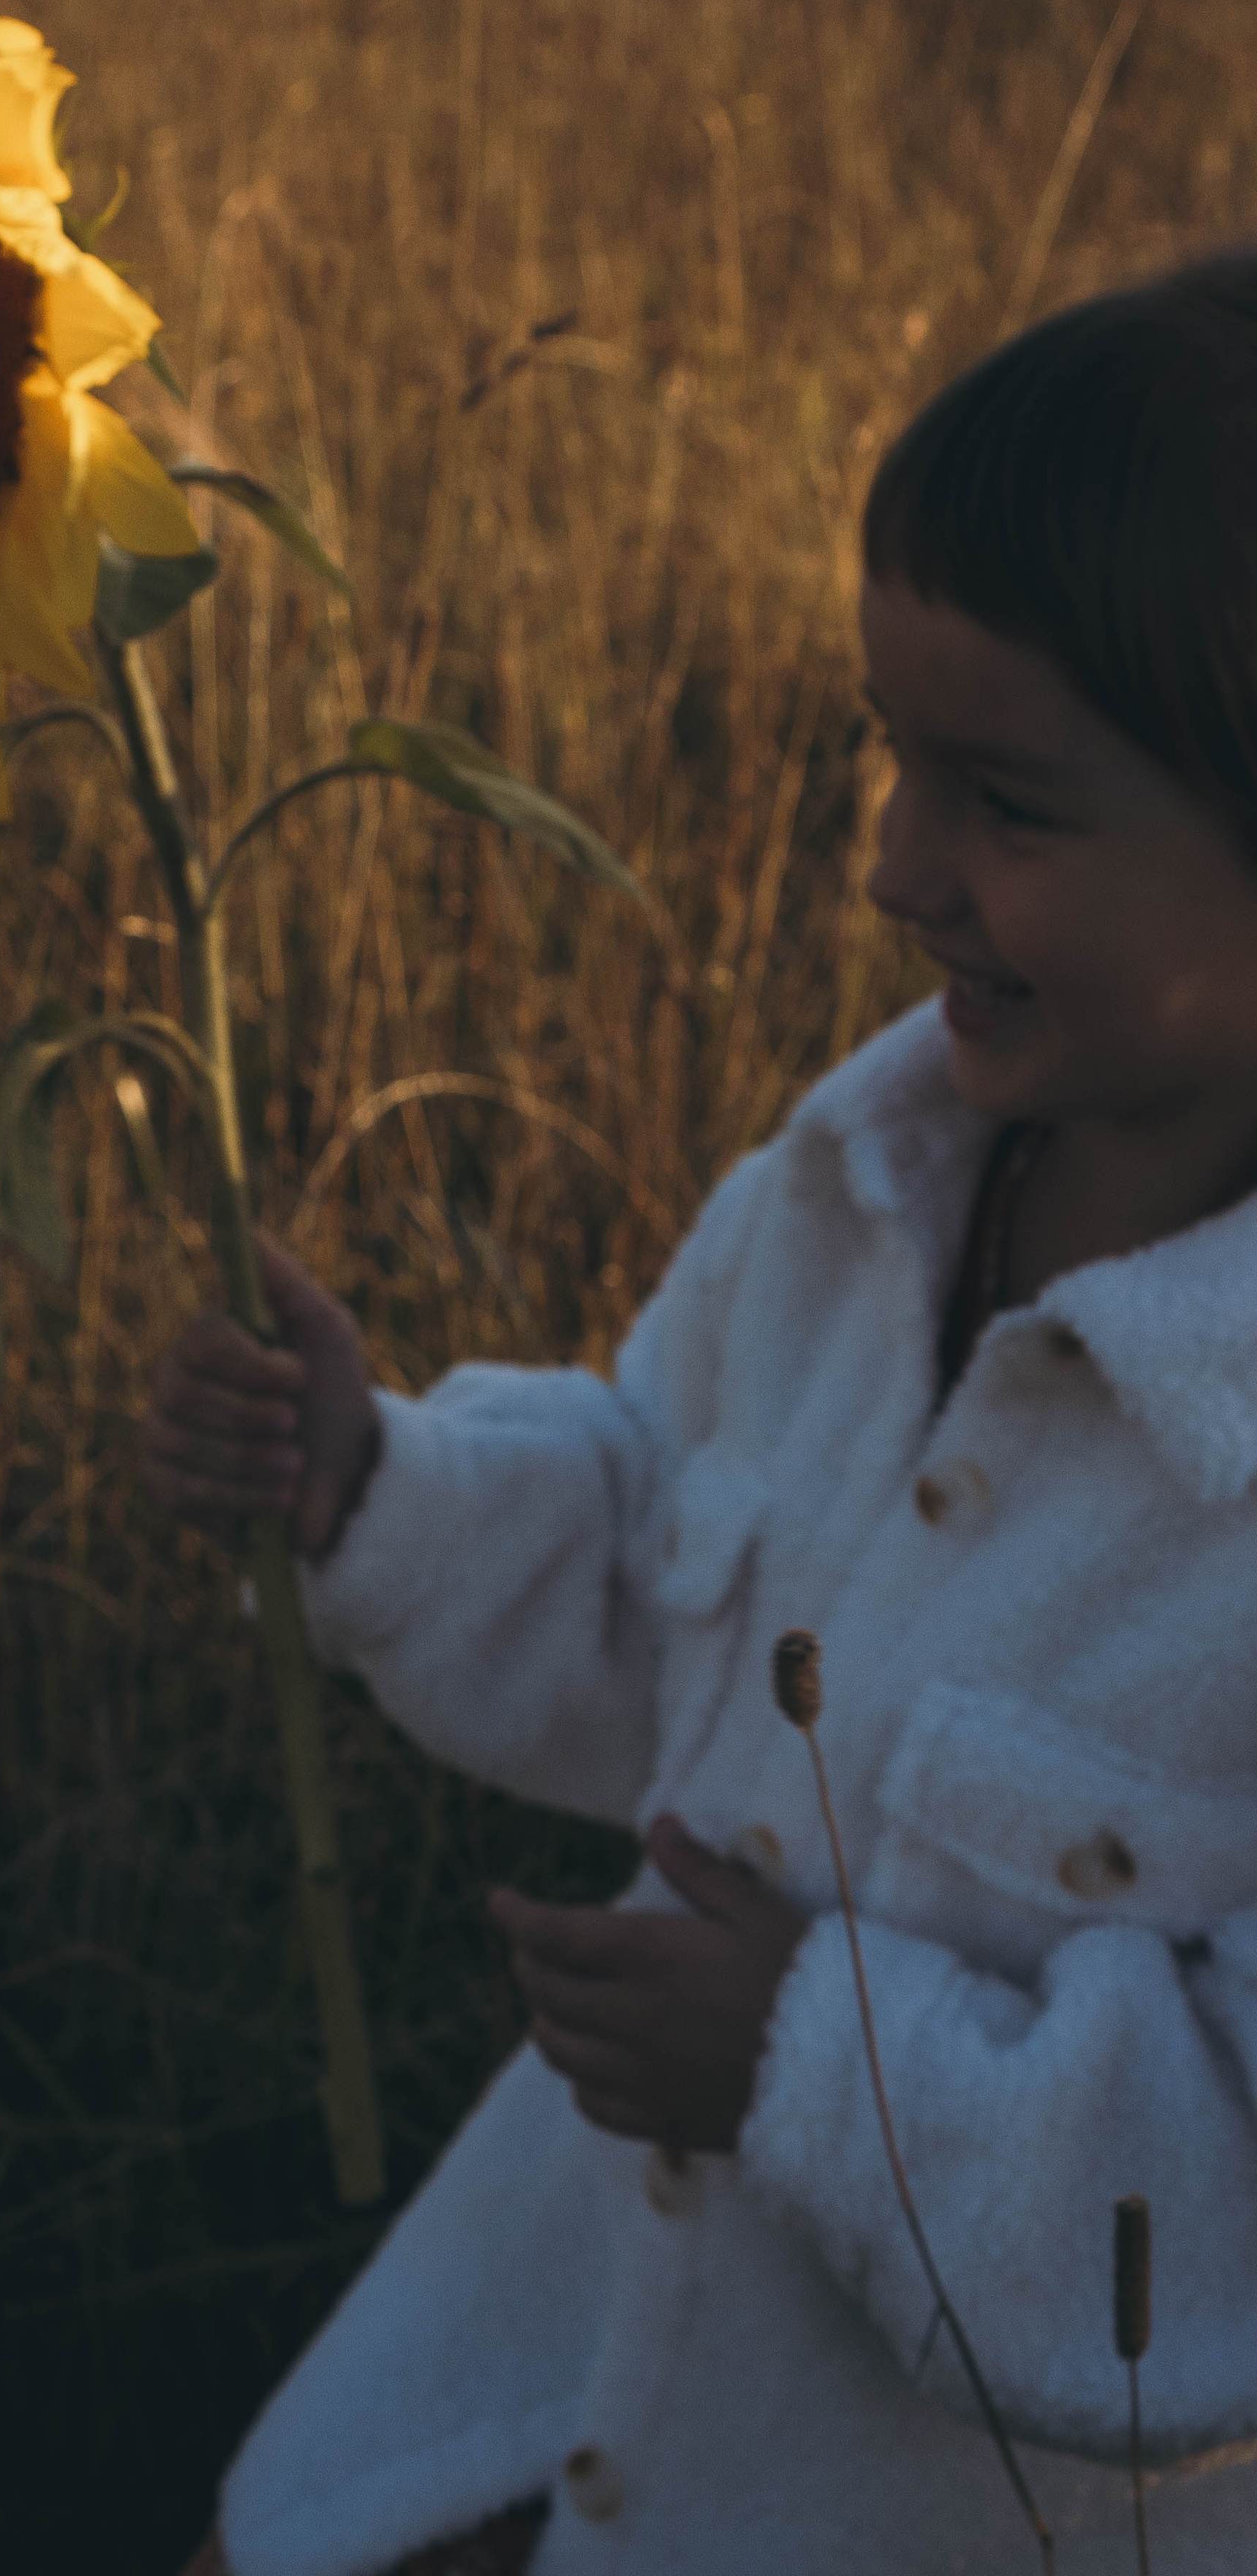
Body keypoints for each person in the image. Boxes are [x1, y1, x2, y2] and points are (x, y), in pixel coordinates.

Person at [142, 248, 1257, 2575]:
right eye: (889, 754)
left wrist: (812, 2071)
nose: (894, 862)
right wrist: (380, 1488)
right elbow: (666, 1552)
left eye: (1009, 802)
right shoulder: (864, 1198)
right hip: (548, 2379)